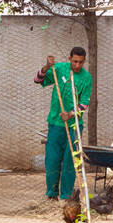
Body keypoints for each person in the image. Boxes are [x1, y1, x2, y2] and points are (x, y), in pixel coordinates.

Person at [35, 47, 92, 201]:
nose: (78, 65)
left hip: (74, 126)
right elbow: (38, 80)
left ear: (84, 61)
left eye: (81, 62)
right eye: (75, 61)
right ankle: (51, 194)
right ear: (69, 59)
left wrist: (71, 114)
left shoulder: (86, 78)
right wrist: (47, 66)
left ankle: (66, 196)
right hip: (55, 122)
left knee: (70, 161)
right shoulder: (59, 69)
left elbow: (85, 104)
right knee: (52, 160)